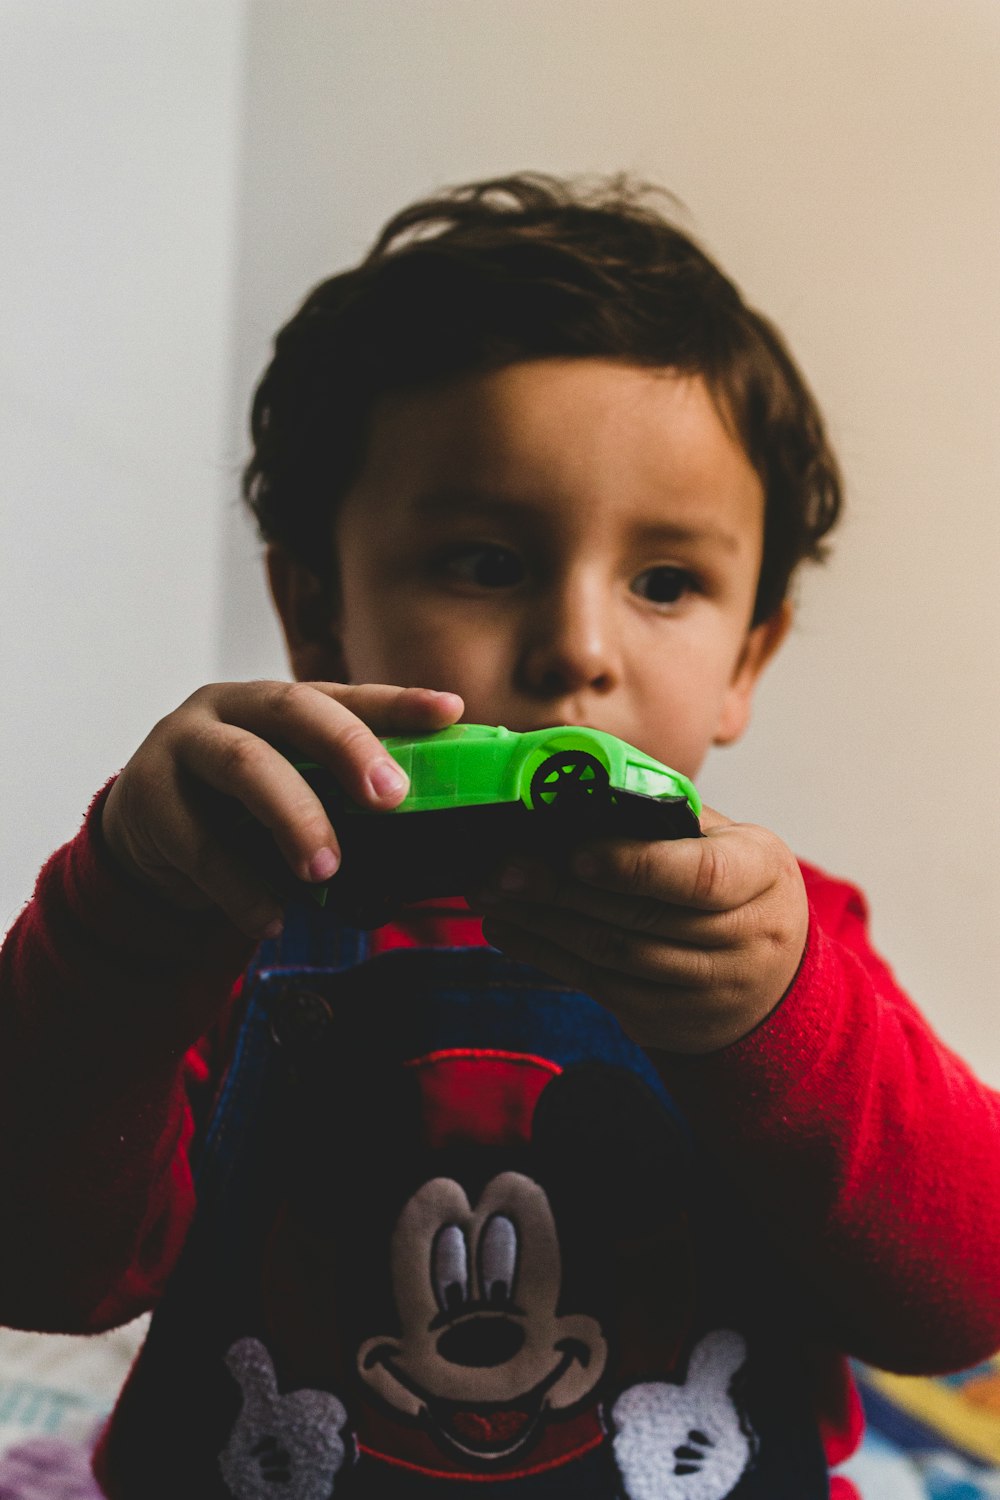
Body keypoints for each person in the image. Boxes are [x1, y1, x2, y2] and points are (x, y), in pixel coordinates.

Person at [1, 173, 998, 1500]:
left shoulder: (785, 946)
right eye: (485, 560)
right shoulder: (222, 912)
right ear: (315, 608)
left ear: (749, 654)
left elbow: (956, 1307)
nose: (580, 647)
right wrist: (123, 912)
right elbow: (39, 1267)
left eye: (665, 582)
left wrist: (783, 1020)